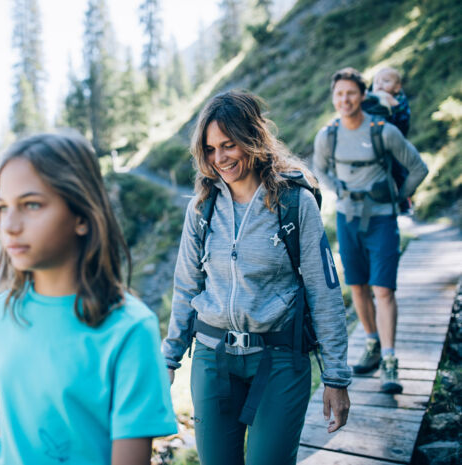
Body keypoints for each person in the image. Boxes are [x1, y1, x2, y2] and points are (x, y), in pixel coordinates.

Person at [162, 91, 351, 465]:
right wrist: (169, 359)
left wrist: (337, 378)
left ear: (253, 138)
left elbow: (323, 291)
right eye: (211, 149)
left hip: (279, 359)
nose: (220, 159)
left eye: (229, 145)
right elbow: (186, 286)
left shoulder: (295, 204)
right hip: (212, 359)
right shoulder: (202, 208)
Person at [0, 132, 177, 465]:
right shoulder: (0, 313)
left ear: (82, 216)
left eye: (31, 205)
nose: (9, 225)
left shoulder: (131, 330)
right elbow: (20, 432)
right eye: (1, 207)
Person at [313, 67, 428, 393]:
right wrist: (338, 189)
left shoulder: (383, 131)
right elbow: (319, 169)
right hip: (348, 220)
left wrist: (397, 196)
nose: (344, 99)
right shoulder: (328, 135)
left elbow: (419, 166)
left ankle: (390, 361)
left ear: (363, 96)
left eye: (350, 93)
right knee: (359, 287)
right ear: (333, 98)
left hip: (381, 220)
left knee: (384, 290)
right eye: (339, 94)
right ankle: (373, 344)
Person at [367, 66, 411, 137]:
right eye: (376, 82)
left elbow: (403, 122)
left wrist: (395, 106)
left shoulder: (399, 101)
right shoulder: (370, 99)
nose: (380, 84)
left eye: (386, 81)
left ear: (397, 88)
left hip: (394, 135)